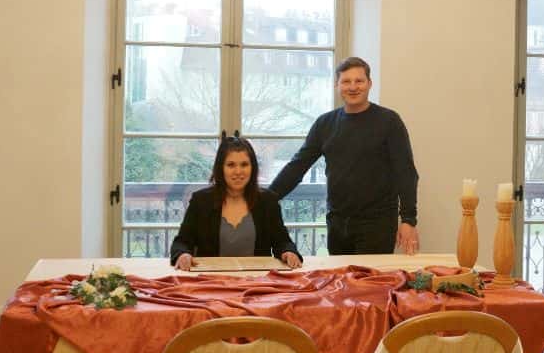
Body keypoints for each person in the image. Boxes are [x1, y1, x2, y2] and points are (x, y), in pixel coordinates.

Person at [268, 57, 420, 255]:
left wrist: (408, 219)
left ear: (369, 83)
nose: (353, 87)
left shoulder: (389, 121)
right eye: (346, 81)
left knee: (368, 276)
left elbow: (405, 172)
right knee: (340, 275)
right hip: (337, 222)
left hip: (377, 223)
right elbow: (297, 166)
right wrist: (266, 198)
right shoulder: (325, 124)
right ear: (337, 85)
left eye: (359, 81)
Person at [171, 136, 303, 271]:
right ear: (220, 168)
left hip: (257, 279)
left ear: (253, 168)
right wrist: (183, 254)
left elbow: (282, 241)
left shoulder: (268, 200)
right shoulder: (201, 201)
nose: (238, 171)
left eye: (244, 164)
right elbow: (182, 242)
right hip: (211, 278)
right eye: (231, 165)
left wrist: (288, 252)